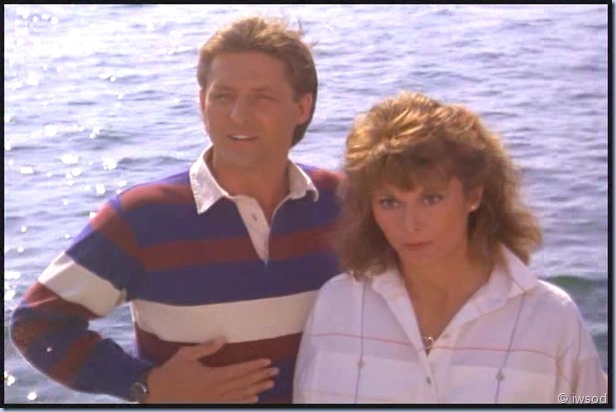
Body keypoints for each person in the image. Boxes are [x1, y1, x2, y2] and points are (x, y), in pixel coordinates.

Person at [10, 16, 341, 404]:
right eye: (223, 96)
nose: (238, 114)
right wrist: (145, 384)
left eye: (261, 97)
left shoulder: (342, 203)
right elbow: (36, 324)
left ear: (302, 107)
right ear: (202, 103)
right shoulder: (142, 218)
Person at [293, 91, 607, 403]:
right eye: (389, 202)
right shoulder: (337, 306)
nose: (410, 224)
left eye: (431, 199)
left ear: (473, 196)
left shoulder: (550, 319)